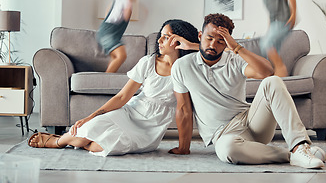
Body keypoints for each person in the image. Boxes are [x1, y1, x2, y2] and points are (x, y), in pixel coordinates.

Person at [169, 13, 326, 169]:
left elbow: (267, 72)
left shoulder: (234, 60)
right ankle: (292, 155)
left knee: (273, 82)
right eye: (209, 38)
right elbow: (183, 109)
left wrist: (237, 47)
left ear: (227, 43)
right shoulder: (182, 66)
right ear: (200, 36)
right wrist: (184, 148)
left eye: (220, 41)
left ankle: (299, 145)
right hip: (223, 134)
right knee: (227, 150)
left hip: (252, 123)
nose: (212, 45)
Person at [28, 19, 199, 157]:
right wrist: (90, 117)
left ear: (180, 41)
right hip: (131, 112)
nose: (160, 40)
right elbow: (122, 97)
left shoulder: (187, 68)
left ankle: (68, 139)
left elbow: (184, 109)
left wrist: (184, 148)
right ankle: (58, 141)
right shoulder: (148, 62)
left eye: (167, 36)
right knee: (85, 134)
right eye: (160, 35)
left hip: (151, 128)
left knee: (100, 146)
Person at [255, 0, 297, 77]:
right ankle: (278, 76)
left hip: (283, 21)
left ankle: (280, 68)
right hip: (275, 22)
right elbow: (272, 10)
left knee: (266, 44)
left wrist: (293, 15)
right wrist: (270, 27)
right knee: (271, 49)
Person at [96, 0, 138, 73]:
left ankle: (108, 79)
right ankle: (105, 80)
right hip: (108, 34)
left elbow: (107, 12)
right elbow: (126, 15)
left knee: (115, 57)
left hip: (104, 32)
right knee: (121, 55)